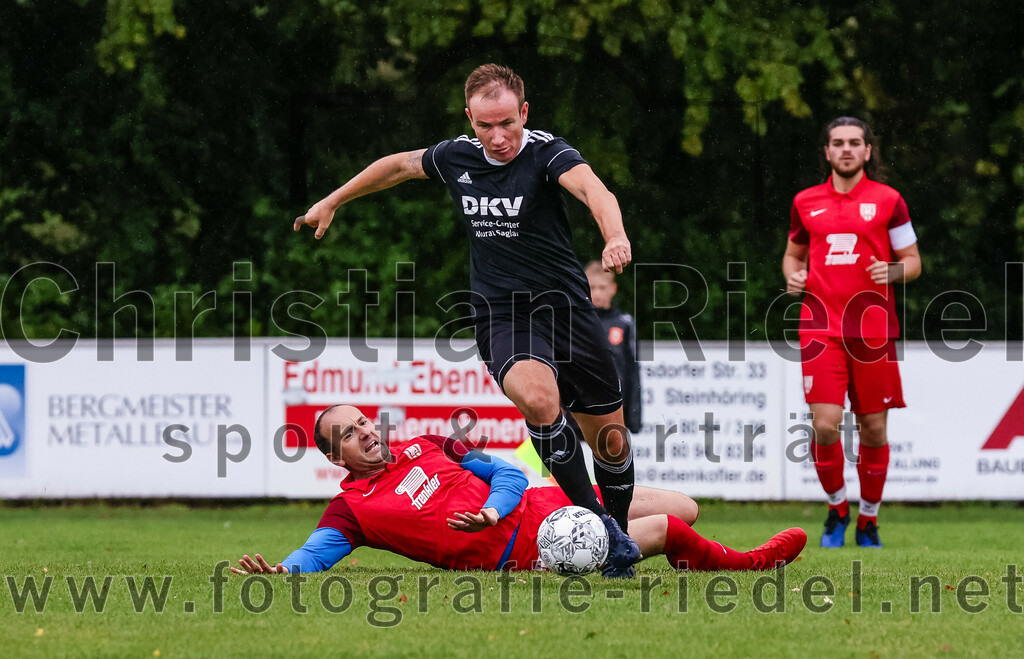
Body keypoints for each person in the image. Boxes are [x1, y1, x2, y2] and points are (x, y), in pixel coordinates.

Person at [294, 64, 641, 576]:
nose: (498, 138)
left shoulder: (548, 152)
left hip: (567, 311)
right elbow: (396, 166)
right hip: (502, 313)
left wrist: (614, 236)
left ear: (524, 113)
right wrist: (333, 199)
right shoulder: (457, 157)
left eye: (507, 123)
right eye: (485, 126)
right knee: (539, 399)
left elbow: (596, 192)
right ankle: (599, 527)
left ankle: (618, 537)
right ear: (469, 120)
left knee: (611, 445)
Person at [231, 405, 807, 575]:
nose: (365, 435)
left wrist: (491, 509)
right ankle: (750, 563)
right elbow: (316, 552)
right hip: (527, 548)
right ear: (336, 457)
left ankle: (659, 558)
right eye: (348, 436)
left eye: (364, 424)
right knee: (667, 527)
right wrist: (282, 572)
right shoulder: (351, 509)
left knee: (687, 506)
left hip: (541, 503)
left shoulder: (428, 443)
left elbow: (508, 474)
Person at [782, 117, 922, 549]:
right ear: (827, 152)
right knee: (825, 426)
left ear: (867, 151)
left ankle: (869, 520)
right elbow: (791, 255)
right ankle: (838, 508)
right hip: (820, 327)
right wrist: (793, 276)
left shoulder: (889, 200)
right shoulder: (806, 201)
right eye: (838, 143)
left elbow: (913, 260)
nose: (846, 149)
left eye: (854, 143)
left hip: (872, 331)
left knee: (874, 430)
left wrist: (894, 270)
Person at [585, 261, 642, 434]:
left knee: (611, 456)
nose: (597, 293)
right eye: (592, 287)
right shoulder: (574, 322)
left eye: (602, 288)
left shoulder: (624, 323)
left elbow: (632, 370)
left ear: (613, 288)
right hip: (580, 406)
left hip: (615, 408)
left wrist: (634, 417)